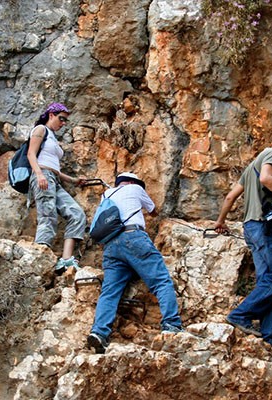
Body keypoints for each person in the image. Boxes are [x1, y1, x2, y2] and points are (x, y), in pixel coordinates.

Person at [214, 131, 272, 349]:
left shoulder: (251, 166)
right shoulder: (271, 154)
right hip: (266, 227)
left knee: (267, 280)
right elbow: (266, 178)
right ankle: (240, 314)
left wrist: (220, 221)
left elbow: (230, 196)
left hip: (251, 228)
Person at [87, 172, 184, 354]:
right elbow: (153, 210)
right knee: (161, 281)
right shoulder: (135, 188)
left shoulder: (107, 194)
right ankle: (172, 324)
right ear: (132, 182)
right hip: (133, 237)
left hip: (111, 246)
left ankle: (99, 332)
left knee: (110, 291)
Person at [27, 102, 86, 275]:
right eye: (61, 119)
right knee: (48, 214)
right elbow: (31, 154)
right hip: (42, 176)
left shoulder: (52, 137)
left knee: (77, 214)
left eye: (66, 120)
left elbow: (55, 170)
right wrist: (39, 174)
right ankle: (40, 253)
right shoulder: (40, 130)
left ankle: (65, 259)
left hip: (54, 179)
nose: (63, 123)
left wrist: (74, 180)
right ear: (51, 115)